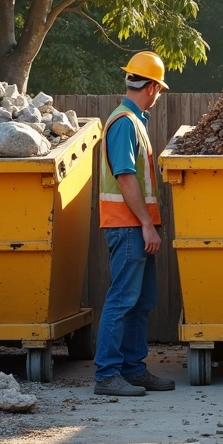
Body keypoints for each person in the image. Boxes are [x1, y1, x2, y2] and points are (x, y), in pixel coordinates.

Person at [93, 51, 175, 396]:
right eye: (159, 90)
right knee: (122, 300)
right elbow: (125, 177)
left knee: (141, 301)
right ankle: (107, 374)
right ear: (152, 87)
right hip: (128, 227)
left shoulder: (132, 121)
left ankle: (132, 369)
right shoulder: (125, 122)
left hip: (134, 226)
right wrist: (146, 224)